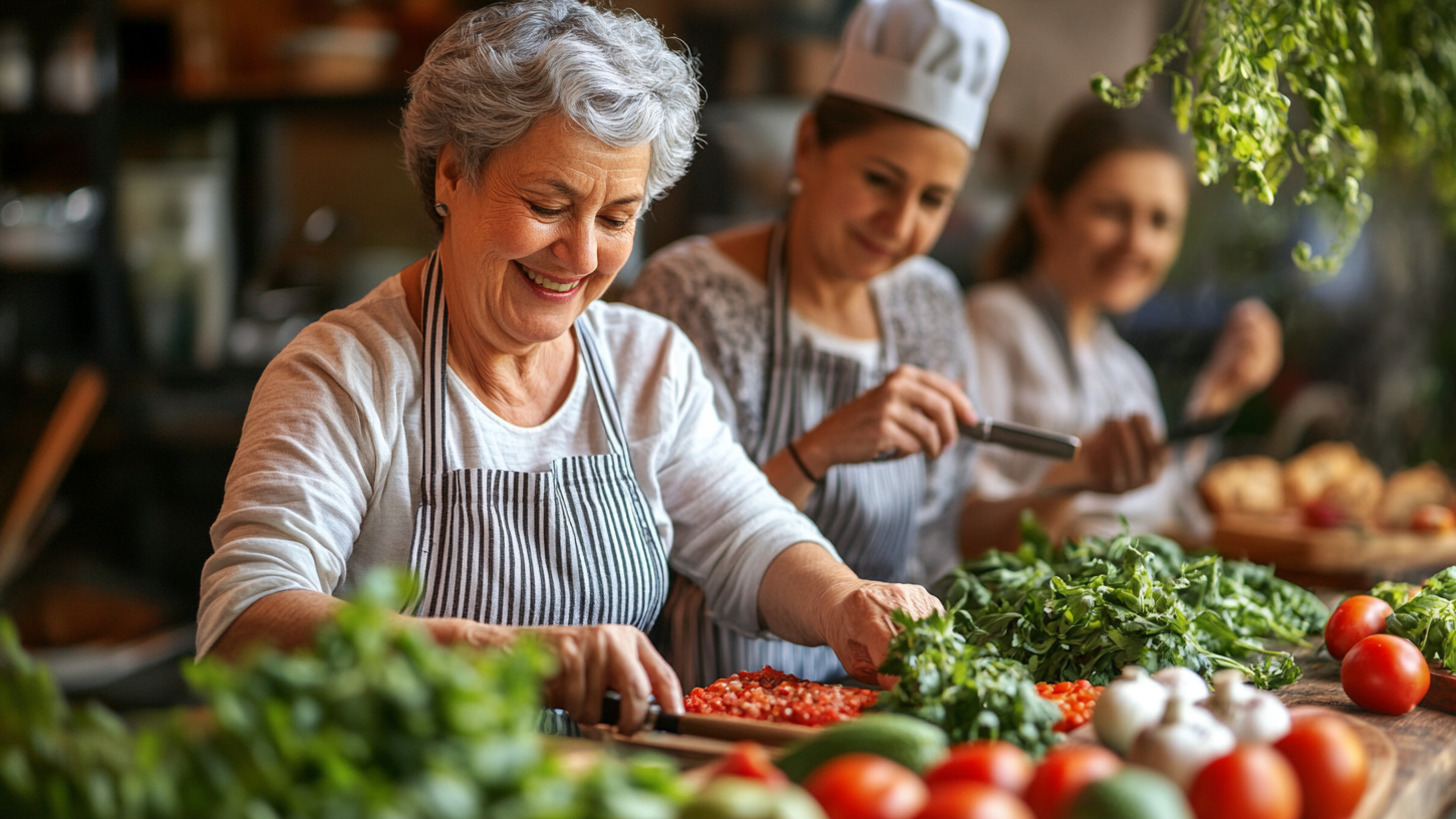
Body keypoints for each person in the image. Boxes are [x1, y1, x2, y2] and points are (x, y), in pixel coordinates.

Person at [195, 0, 942, 735]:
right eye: (550, 204)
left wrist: (844, 600)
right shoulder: (343, 375)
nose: (582, 256)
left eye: (617, 218)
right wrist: (507, 656)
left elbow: (748, 532)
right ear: (452, 175)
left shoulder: (646, 363)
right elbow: (244, 622)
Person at [625, 0, 1008, 688]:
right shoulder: (692, 292)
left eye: (933, 200)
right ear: (808, 147)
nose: (899, 223)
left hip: (877, 705)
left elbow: (929, 544)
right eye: (880, 181)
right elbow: (663, 551)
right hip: (714, 698)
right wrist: (821, 447)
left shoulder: (930, 302)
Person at [962, 96, 1283, 548]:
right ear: (1045, 210)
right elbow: (961, 532)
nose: (1137, 242)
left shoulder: (1123, 366)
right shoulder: (993, 322)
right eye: (1112, 211)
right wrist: (1072, 480)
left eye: (1160, 221)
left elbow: (1162, 513)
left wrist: (1217, 395)